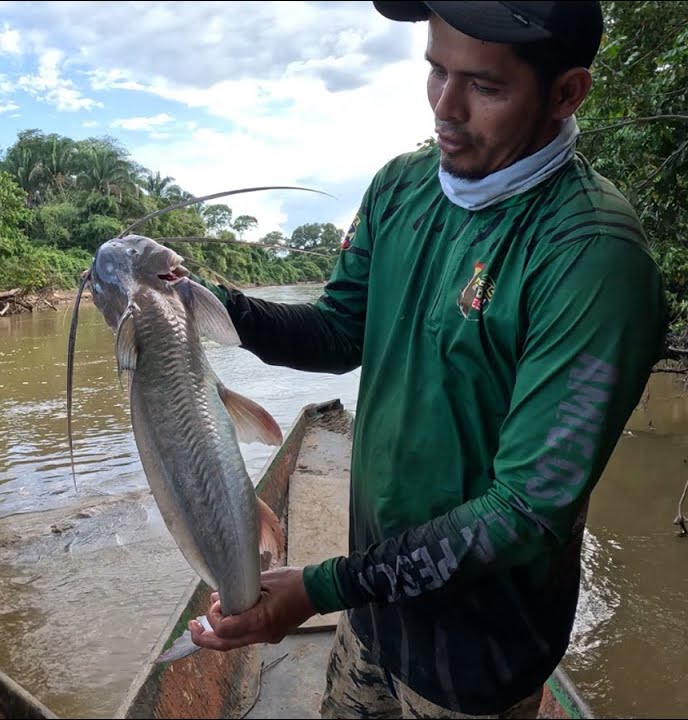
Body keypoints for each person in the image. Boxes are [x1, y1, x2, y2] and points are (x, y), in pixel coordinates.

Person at [186, 2, 667, 719]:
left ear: (566, 93)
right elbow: (339, 332)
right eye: (436, 71)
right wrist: (203, 305)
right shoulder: (401, 187)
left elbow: (524, 512)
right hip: (371, 615)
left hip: (478, 655)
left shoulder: (592, 258)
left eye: (484, 87)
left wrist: (319, 588)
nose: (445, 107)